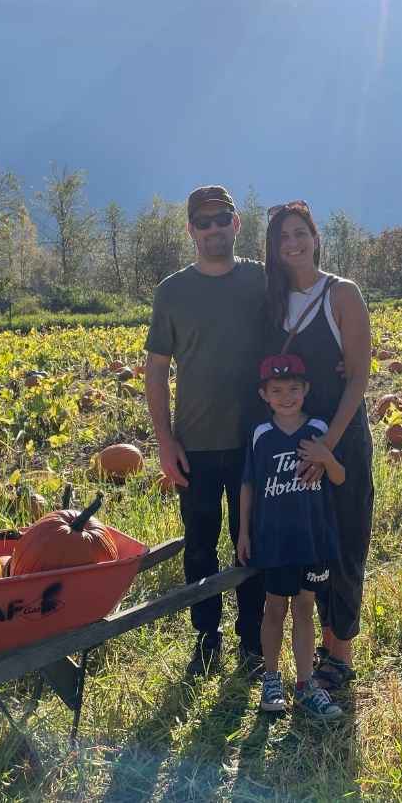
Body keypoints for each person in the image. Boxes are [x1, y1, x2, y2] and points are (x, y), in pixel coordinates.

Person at [144, 185, 266, 676]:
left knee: (250, 539)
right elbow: (155, 370)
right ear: (192, 230)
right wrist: (165, 443)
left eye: (223, 219)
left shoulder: (261, 280)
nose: (214, 229)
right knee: (200, 544)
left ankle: (253, 639)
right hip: (193, 444)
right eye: (205, 222)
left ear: (237, 225)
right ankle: (206, 638)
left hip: (253, 443)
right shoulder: (172, 291)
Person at [263, 200, 373, 693]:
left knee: (346, 541)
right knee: (313, 544)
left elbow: (358, 377)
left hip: (340, 440)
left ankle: (341, 653)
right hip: (295, 445)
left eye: (300, 232)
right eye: (283, 235)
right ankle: (313, 654)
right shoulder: (271, 300)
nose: (293, 242)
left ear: (315, 236)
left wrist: (327, 446)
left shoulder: (342, 294)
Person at [236, 353, 345, 719]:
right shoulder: (261, 435)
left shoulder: (317, 428)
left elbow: (341, 477)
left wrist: (324, 457)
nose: (286, 396)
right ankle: (270, 679)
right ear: (264, 394)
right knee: (275, 608)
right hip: (275, 538)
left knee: (304, 608)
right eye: (277, 390)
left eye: (294, 389)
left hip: (312, 538)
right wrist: (243, 532)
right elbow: (248, 485)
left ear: (306, 390)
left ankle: (304, 685)